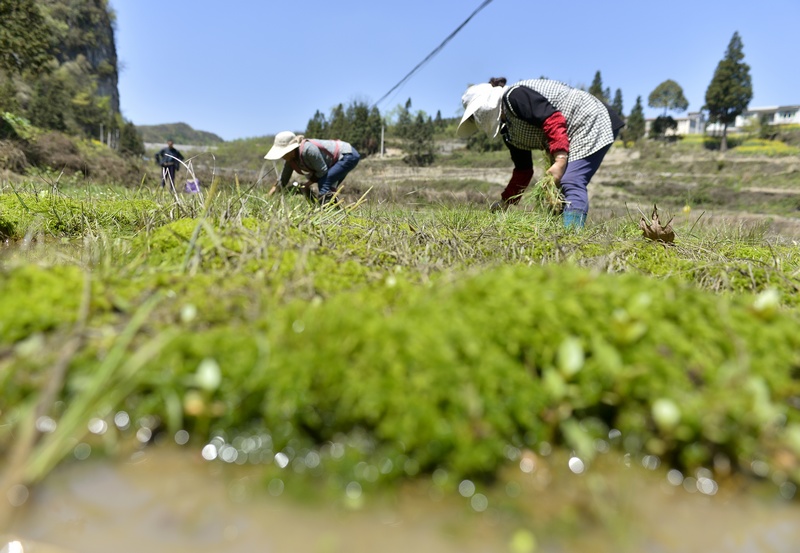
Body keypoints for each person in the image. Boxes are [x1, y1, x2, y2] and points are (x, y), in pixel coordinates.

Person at [457, 77, 625, 228]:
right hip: (569, 133)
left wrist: (560, 160)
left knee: (571, 180)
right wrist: (505, 202)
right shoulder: (509, 132)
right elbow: (523, 171)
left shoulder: (515, 97)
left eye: (474, 117)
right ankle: (558, 235)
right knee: (556, 189)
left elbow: (552, 120)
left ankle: (572, 238)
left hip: (590, 118)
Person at [264, 131, 360, 205]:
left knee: (324, 183)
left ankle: (327, 213)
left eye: (283, 153)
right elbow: (283, 180)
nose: (282, 156)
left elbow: (322, 171)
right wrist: (269, 196)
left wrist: (307, 184)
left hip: (347, 155)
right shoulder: (290, 160)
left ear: (292, 149)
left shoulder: (308, 150)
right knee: (327, 185)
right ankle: (332, 209)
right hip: (335, 161)